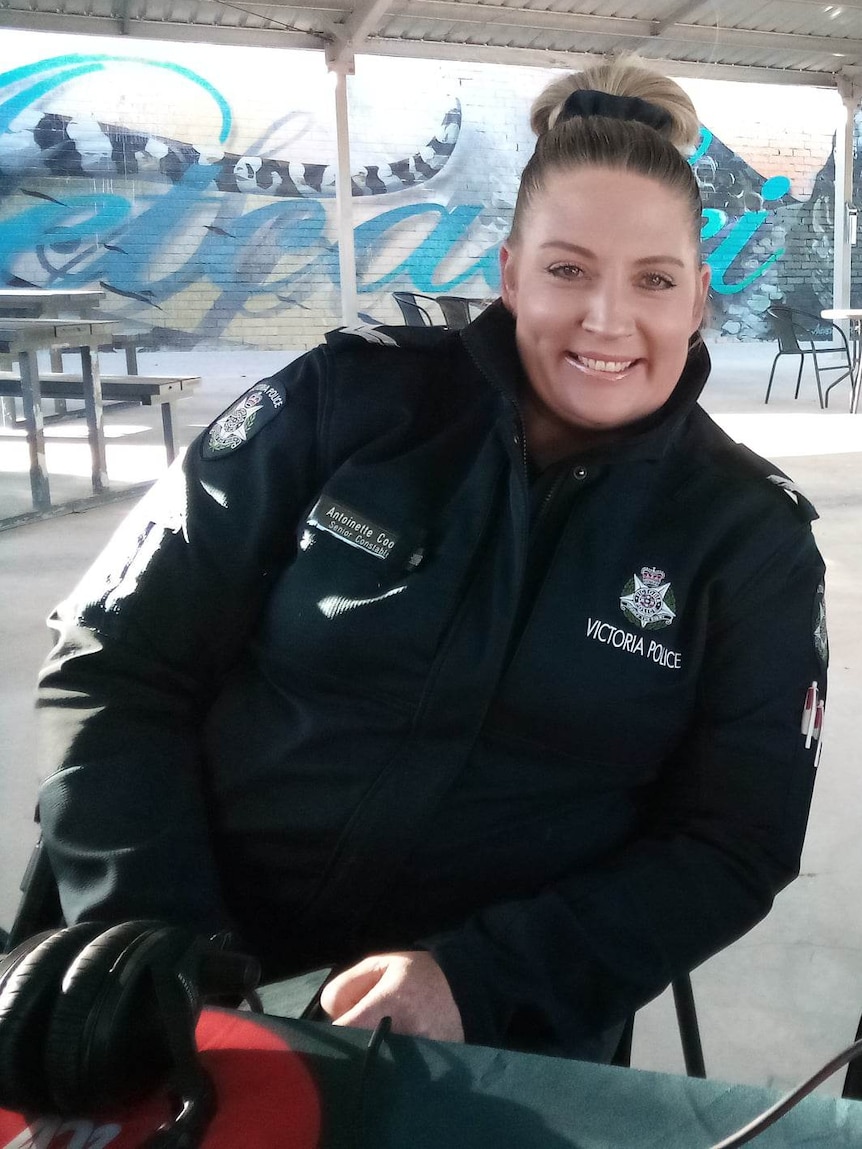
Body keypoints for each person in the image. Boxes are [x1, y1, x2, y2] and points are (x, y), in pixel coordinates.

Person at [34, 57, 827, 1061]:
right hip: (171, 966)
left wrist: (479, 983)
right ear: (506, 273)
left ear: (698, 299)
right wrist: (152, 928)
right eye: (566, 269)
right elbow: (116, 661)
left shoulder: (747, 538)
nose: (606, 320)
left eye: (654, 281)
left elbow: (732, 841)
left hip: (490, 1035)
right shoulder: (341, 406)